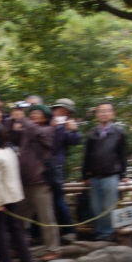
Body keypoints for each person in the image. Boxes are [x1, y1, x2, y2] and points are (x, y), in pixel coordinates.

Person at [12, 105, 60, 253]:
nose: (34, 115)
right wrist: (14, 122)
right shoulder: (26, 131)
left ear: (45, 117)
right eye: (31, 112)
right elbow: (11, 137)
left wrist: (23, 119)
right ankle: (18, 247)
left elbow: (36, 132)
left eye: (38, 113)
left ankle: (53, 249)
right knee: (18, 218)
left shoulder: (48, 130)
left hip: (40, 181)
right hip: (25, 182)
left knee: (46, 218)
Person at [0, 125, 31, 262]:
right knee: (16, 229)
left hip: (2, 198)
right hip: (14, 194)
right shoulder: (9, 151)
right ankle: (26, 258)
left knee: (0, 232)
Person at [82, 102, 128, 241]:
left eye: (107, 111)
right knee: (95, 207)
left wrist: (123, 174)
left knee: (108, 207)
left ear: (113, 114)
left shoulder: (119, 132)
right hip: (95, 176)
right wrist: (85, 174)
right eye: (101, 111)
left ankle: (107, 234)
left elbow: (122, 155)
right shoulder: (92, 133)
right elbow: (87, 156)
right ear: (97, 115)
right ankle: (99, 232)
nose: (103, 113)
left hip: (111, 174)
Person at [50, 98, 81, 242]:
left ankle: (68, 230)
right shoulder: (46, 122)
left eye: (65, 111)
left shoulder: (66, 127)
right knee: (43, 201)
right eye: (59, 109)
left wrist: (73, 129)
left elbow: (75, 140)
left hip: (56, 166)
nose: (61, 113)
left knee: (58, 199)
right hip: (40, 167)